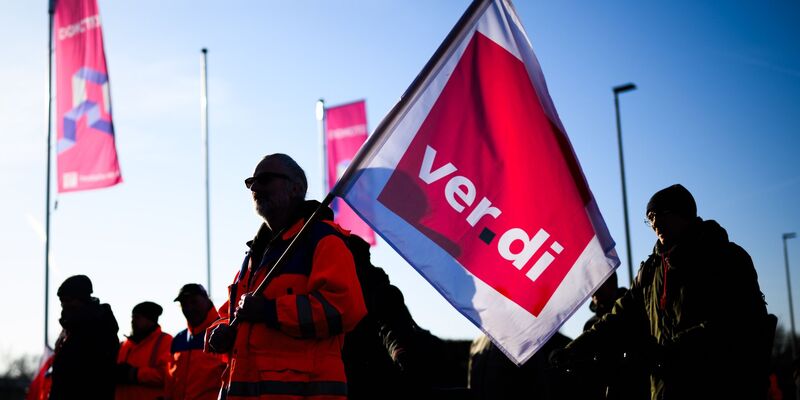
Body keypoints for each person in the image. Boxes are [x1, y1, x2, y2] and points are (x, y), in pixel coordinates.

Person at [556, 184, 771, 399]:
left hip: (719, 386)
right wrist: (574, 349)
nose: (655, 223)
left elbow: (735, 324)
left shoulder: (724, 258)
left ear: (684, 214)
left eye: (661, 214)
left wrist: (667, 353)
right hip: (664, 391)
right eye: (650, 218)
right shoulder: (650, 272)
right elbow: (618, 318)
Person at [205, 153, 367, 399]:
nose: (255, 188)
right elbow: (229, 314)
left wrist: (269, 310)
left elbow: (344, 308)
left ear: (295, 189)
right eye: (251, 182)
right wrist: (219, 332)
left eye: (265, 179)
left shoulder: (323, 240)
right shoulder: (253, 255)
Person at [49, 274, 120, 400]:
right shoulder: (71, 327)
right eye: (62, 301)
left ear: (82, 299)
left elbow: (97, 373)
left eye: (68, 300)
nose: (64, 305)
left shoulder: (100, 327)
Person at [165, 284, 227, 400]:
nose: (189, 308)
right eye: (184, 304)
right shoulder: (178, 339)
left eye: (194, 302)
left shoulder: (224, 333)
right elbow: (170, 382)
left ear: (207, 300)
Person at [115, 301, 172, 400]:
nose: (133, 321)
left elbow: (167, 376)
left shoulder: (165, 341)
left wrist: (134, 374)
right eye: (132, 317)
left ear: (150, 320)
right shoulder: (124, 345)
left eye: (137, 318)